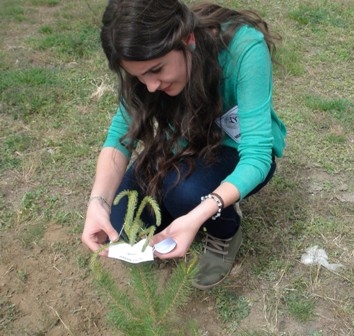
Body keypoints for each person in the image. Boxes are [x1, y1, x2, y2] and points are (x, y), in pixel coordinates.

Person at [81, 0, 287, 290]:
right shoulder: (145, 68)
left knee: (186, 195)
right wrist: (97, 203)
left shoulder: (243, 48)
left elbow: (257, 156)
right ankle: (182, 201)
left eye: (157, 70)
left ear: (187, 39)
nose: (150, 86)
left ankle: (225, 231)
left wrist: (202, 211)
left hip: (235, 149)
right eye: (139, 76)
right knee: (123, 227)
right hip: (181, 143)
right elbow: (120, 136)